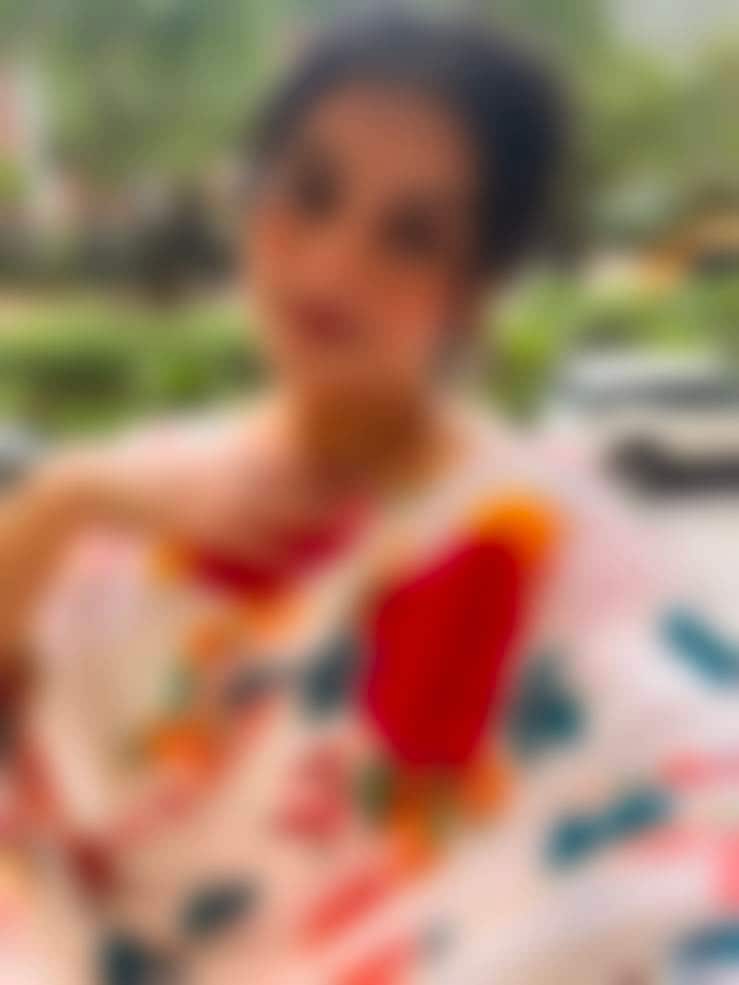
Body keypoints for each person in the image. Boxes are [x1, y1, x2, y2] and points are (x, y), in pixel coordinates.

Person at [0, 10, 732, 985]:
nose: (332, 263)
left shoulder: (531, 535)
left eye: (411, 235)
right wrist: (66, 498)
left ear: (473, 289)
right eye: (309, 191)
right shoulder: (135, 489)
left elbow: (684, 823)